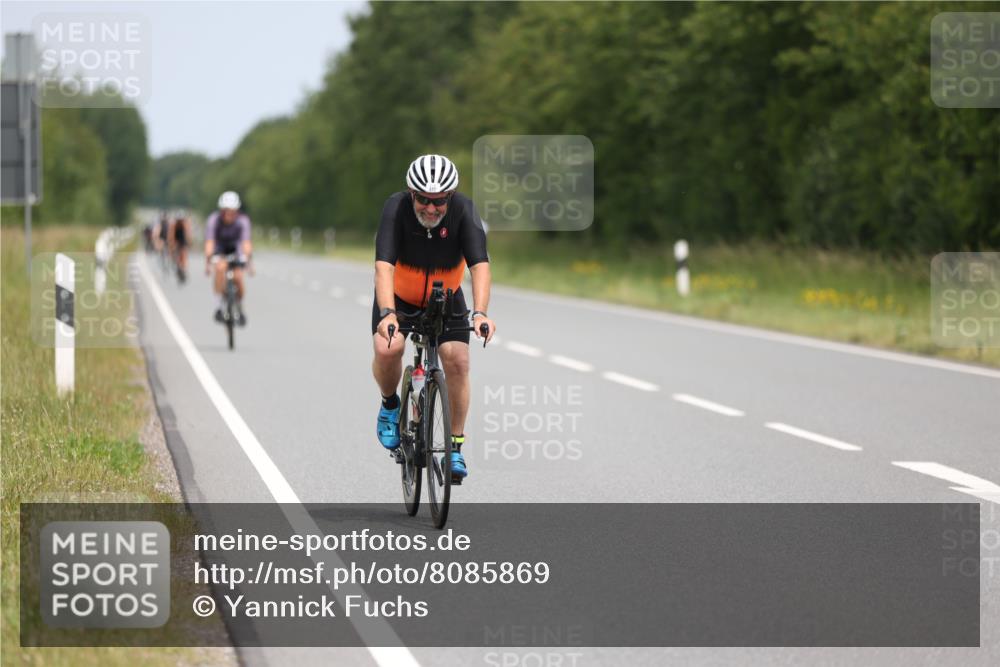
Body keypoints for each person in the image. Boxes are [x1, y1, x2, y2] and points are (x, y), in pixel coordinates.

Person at [372, 154, 496, 481]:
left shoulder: (464, 211)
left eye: (439, 201)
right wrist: (387, 313)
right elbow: (383, 266)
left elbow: (479, 266)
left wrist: (481, 312)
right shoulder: (396, 209)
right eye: (423, 199)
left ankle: (454, 447)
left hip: (446, 296)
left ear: (449, 197)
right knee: (388, 348)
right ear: (411, 194)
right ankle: (389, 405)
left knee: (457, 361)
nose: (430, 208)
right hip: (398, 297)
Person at [204, 191, 252, 325]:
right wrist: (208, 261)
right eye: (225, 211)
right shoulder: (214, 220)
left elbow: (246, 243)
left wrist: (247, 260)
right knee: (220, 269)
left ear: (237, 211)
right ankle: (218, 307)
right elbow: (209, 242)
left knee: (238, 278)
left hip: (236, 248)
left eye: (232, 212)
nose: (228, 215)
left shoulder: (243, 221)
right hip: (220, 248)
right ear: (221, 210)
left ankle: (240, 308)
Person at [170, 211, 192, 283]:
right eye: (178, 220)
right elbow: (171, 235)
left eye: (181, 220)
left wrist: (188, 242)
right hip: (176, 238)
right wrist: (172, 245)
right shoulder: (173, 225)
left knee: (184, 253)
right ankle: (177, 264)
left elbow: (187, 234)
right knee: (175, 252)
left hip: (182, 238)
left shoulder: (185, 224)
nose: (179, 222)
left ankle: (184, 268)